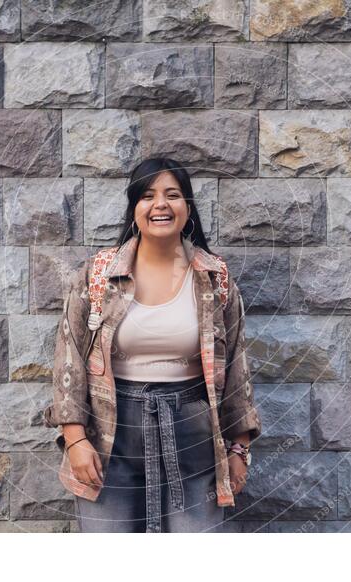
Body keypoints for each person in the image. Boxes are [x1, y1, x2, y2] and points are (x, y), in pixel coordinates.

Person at [43, 157, 261, 533]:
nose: (160, 205)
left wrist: (239, 448)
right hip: (111, 434)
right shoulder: (99, 275)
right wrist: (75, 439)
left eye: (172, 195)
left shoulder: (214, 278)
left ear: (187, 208)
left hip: (194, 433)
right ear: (134, 210)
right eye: (147, 196)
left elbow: (238, 366)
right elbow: (69, 359)